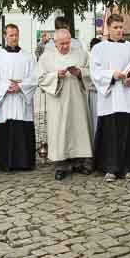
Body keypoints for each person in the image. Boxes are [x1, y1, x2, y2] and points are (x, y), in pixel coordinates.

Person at [90, 14, 130, 182]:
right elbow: (95, 72)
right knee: (110, 135)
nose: (119, 30)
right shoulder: (99, 49)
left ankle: (129, 168)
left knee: (129, 134)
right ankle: (110, 168)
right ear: (108, 28)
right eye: (115, 27)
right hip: (110, 99)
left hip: (129, 98)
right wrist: (112, 75)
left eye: (121, 27)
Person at [37, 28, 93, 180]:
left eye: (67, 43)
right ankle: (61, 165)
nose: (65, 46)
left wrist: (80, 72)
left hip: (77, 99)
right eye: (61, 44)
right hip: (57, 102)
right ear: (55, 43)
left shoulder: (81, 53)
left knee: (78, 129)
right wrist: (56, 75)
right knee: (60, 131)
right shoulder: (46, 58)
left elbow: (91, 72)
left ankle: (79, 162)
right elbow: (40, 78)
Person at [0, 24, 37, 171]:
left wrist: (20, 87)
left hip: (22, 99)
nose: (14, 38)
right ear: (5, 36)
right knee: (6, 129)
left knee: (23, 129)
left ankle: (25, 162)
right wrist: (5, 87)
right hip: (6, 100)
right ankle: (6, 163)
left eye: (16, 35)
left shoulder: (28, 57)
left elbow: (34, 78)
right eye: (11, 35)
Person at [87, 37, 102, 139]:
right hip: (92, 93)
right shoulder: (88, 59)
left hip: (101, 93)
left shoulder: (103, 58)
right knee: (92, 119)